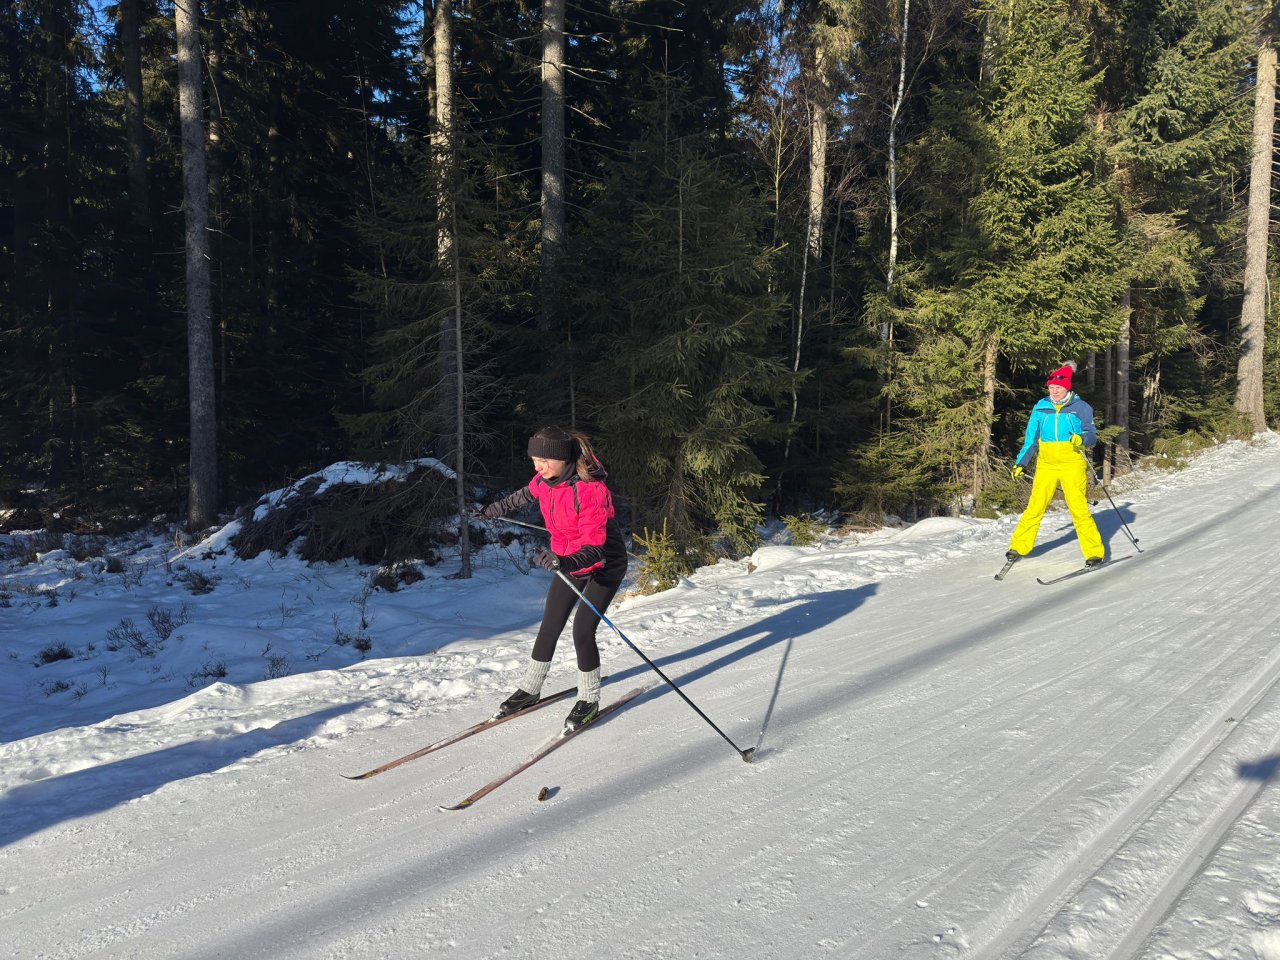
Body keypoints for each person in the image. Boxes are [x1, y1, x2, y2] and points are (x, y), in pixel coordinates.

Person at [476, 426, 628, 733]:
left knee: (582, 630)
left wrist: (563, 562)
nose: (538, 467)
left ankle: (589, 699)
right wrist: (493, 510)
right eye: (535, 460)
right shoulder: (545, 482)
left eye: (544, 461)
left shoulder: (591, 491)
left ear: (564, 459)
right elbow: (524, 494)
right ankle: (530, 689)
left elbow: (594, 548)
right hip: (568, 559)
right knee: (550, 623)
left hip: (603, 563)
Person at [1006, 361, 1106, 566]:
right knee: (1035, 506)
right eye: (1051, 387)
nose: (1055, 391)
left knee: (1078, 509)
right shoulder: (1041, 407)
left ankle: (1094, 553)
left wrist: (1081, 439)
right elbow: (1031, 439)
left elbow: (1091, 436)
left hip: (1072, 463)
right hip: (1047, 465)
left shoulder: (1081, 408)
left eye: (1058, 387)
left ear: (1067, 387)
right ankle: (1019, 546)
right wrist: (1020, 463)